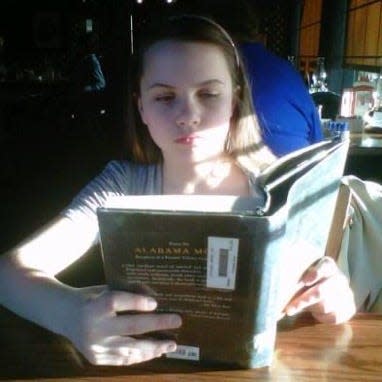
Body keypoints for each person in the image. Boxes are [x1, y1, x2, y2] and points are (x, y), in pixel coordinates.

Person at [0, 15, 355, 367]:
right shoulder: (122, 186)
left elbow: (323, 296)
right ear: (141, 108)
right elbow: (8, 273)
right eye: (165, 97)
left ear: (234, 101)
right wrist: (70, 314)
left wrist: (333, 297)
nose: (188, 115)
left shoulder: (278, 189)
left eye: (209, 94)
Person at [240, 42, 324, 156]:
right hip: (300, 165)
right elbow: (318, 142)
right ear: (260, 37)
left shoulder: (225, 66)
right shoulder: (287, 70)